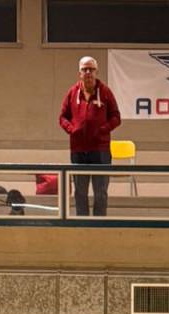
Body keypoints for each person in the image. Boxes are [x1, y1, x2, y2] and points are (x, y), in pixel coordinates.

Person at [60, 56, 121, 218]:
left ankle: (99, 224)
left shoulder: (105, 92)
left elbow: (116, 117)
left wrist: (103, 130)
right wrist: (72, 129)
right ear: (79, 73)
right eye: (84, 69)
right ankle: (82, 223)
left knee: (100, 191)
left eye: (91, 69)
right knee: (80, 191)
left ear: (96, 71)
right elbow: (62, 117)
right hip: (78, 150)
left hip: (100, 151)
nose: (88, 72)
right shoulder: (72, 93)